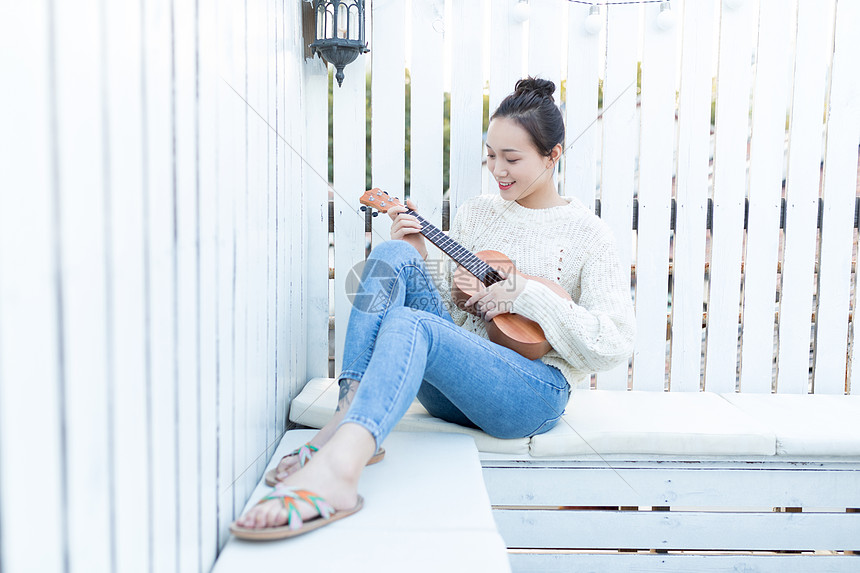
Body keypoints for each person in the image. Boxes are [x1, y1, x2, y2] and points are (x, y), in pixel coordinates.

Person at [231, 77, 636, 539]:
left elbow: (614, 342)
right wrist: (425, 261)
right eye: (490, 156)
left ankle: (341, 472)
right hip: (456, 388)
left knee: (410, 322)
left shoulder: (588, 233)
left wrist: (525, 294)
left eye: (512, 159)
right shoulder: (477, 213)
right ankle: (348, 415)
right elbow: (450, 323)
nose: (497, 170)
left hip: (531, 394)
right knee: (392, 256)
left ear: (553, 155)